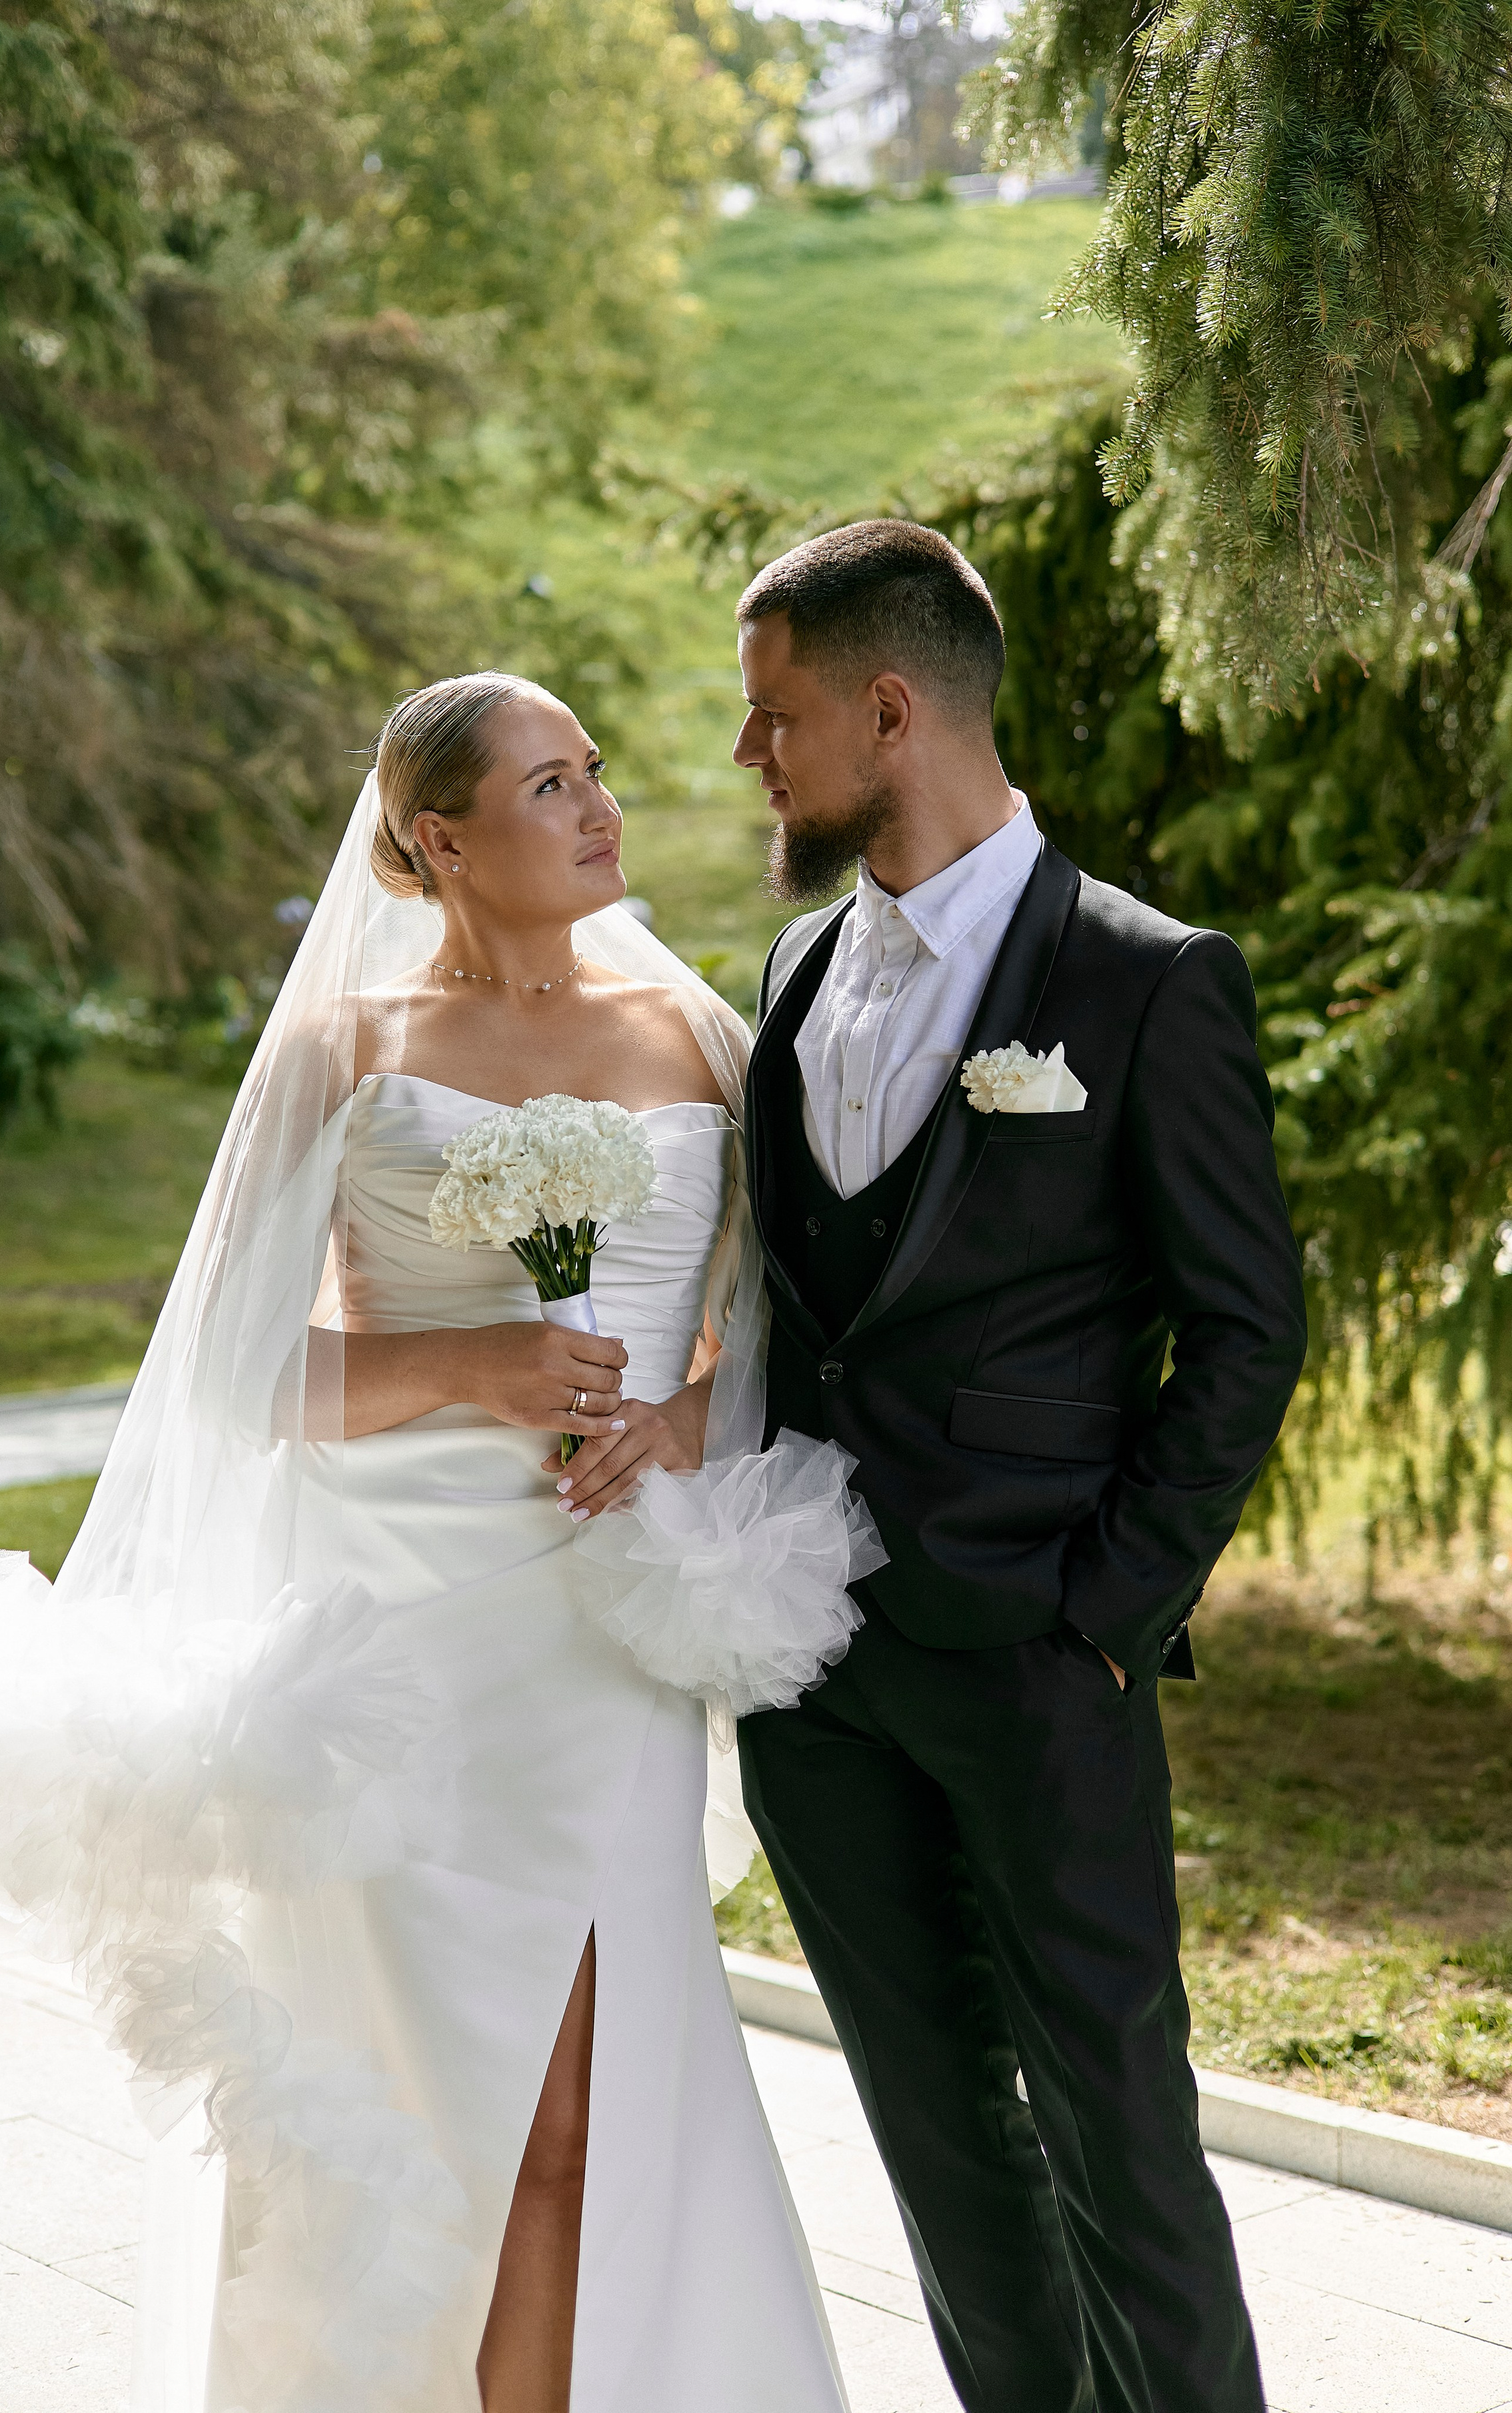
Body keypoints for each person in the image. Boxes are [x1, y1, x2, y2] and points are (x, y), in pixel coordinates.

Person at [0, 672, 862, 2413]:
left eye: (596, 773)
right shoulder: (349, 1052)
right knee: (404, 2096)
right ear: (437, 838)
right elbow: (238, 1375)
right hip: (394, 1651)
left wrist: (672, 1423)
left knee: (581, 2107)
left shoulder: (703, 1041)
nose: (601, 808)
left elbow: (785, 1337)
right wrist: (474, 1362)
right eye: (549, 784)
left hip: (600, 1631)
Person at [729, 520, 1309, 2413]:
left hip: (1042, 1660)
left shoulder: (1149, 981)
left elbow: (1245, 1332)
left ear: (890, 710)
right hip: (822, 1686)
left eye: (777, 716)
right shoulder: (803, 973)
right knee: (940, 2148)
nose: (753, 758)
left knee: (1121, 2139)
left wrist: (1106, 1615)